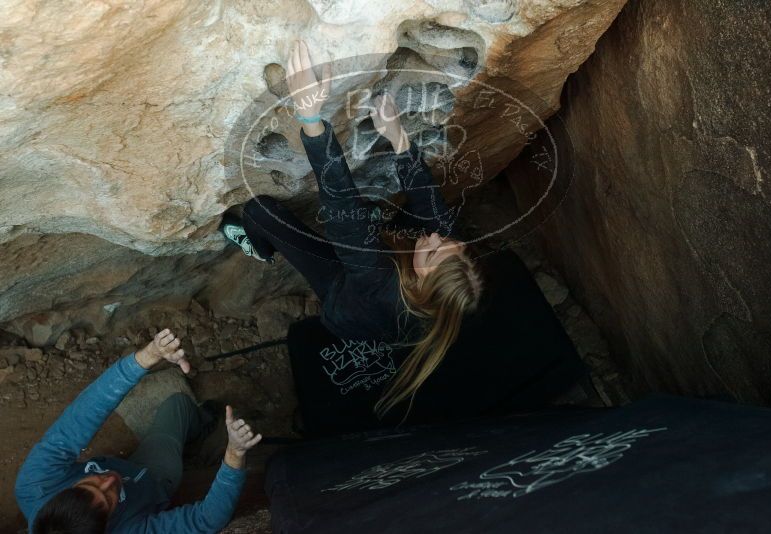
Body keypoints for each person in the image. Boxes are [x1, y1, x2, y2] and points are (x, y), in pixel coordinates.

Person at [221, 39, 484, 419]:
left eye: (432, 249)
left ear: (422, 277)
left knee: (260, 212)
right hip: (375, 289)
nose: (435, 237)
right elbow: (430, 206)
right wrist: (398, 136)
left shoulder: (379, 279)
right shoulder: (441, 292)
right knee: (415, 221)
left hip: (341, 303)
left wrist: (310, 119)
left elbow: (342, 207)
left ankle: (259, 248)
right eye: (449, 243)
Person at [15, 329, 262, 533]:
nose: (110, 480)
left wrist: (147, 356)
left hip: (128, 467)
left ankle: (196, 425)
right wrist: (234, 454)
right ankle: (202, 426)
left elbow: (84, 413)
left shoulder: (35, 484)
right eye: (109, 499)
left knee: (176, 406)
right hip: (154, 479)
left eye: (90, 485)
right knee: (178, 405)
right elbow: (204, 521)